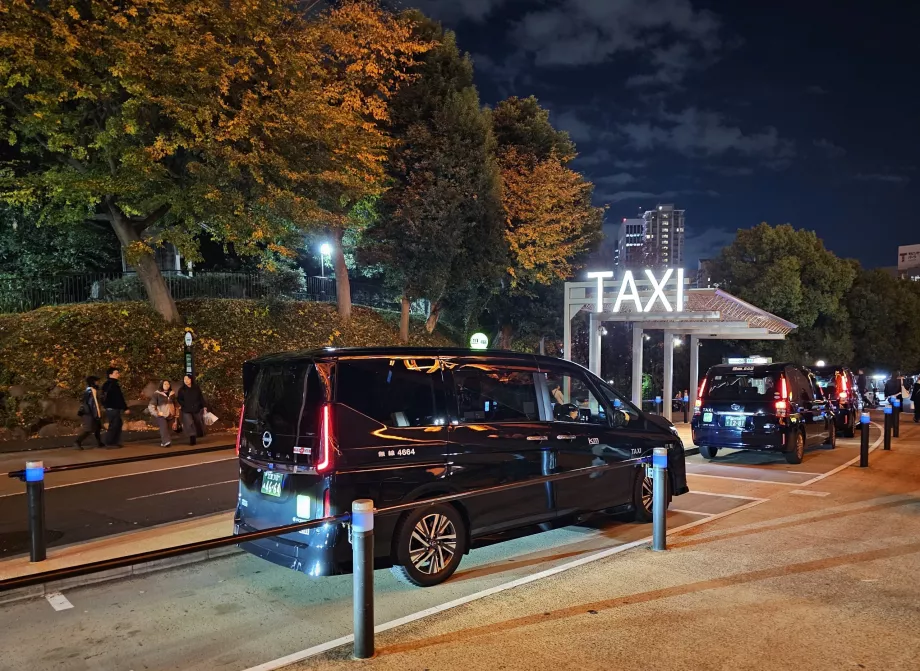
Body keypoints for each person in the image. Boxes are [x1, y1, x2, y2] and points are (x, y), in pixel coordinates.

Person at [74, 376, 104, 450]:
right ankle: (77, 442)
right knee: (88, 429)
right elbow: (90, 404)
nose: (98, 382)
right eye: (96, 381)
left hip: (93, 413)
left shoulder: (93, 390)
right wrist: (94, 414)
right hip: (89, 413)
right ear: (93, 382)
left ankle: (99, 443)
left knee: (97, 428)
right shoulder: (89, 391)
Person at [176, 374, 208, 446]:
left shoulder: (196, 388)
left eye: (187, 379)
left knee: (197, 422)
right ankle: (192, 437)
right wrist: (183, 404)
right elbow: (179, 399)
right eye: (185, 379)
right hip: (186, 409)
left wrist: (204, 406)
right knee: (189, 423)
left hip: (196, 408)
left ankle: (200, 433)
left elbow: (201, 397)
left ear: (191, 379)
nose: (186, 381)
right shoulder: (182, 390)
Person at [101, 367, 128, 448]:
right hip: (112, 408)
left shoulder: (112, 384)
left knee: (118, 424)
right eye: (116, 373)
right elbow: (118, 397)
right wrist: (125, 408)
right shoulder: (111, 384)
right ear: (110, 375)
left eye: (118, 373)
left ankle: (114, 442)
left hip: (112, 408)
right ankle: (110, 443)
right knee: (114, 425)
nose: (118, 375)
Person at [149, 380, 177, 448]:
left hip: (171, 414)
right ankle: (166, 442)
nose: (167, 385)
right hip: (161, 414)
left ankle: (164, 441)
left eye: (168, 384)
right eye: (165, 384)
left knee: (169, 429)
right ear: (162, 385)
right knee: (163, 428)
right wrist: (156, 413)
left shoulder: (172, 393)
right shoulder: (157, 394)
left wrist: (176, 413)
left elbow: (176, 404)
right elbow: (151, 405)